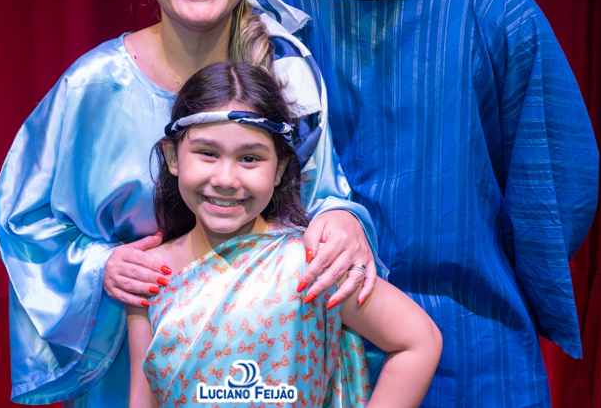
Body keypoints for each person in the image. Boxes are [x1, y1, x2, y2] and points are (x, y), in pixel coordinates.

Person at [264, 0, 599, 406]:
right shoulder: (276, 23)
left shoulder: (496, 12)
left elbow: (556, 189)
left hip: (478, 346)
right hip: (310, 343)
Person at [0, 0, 382, 406]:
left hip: (265, 364)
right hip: (136, 362)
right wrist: (100, 266)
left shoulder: (286, 74)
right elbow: (23, 220)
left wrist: (342, 219)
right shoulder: (92, 88)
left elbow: (320, 196)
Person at [127, 61, 442, 408]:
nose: (226, 179)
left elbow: (419, 340)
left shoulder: (311, 263)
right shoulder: (148, 275)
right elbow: (144, 398)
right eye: (208, 154)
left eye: (249, 158)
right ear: (173, 157)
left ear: (279, 169)